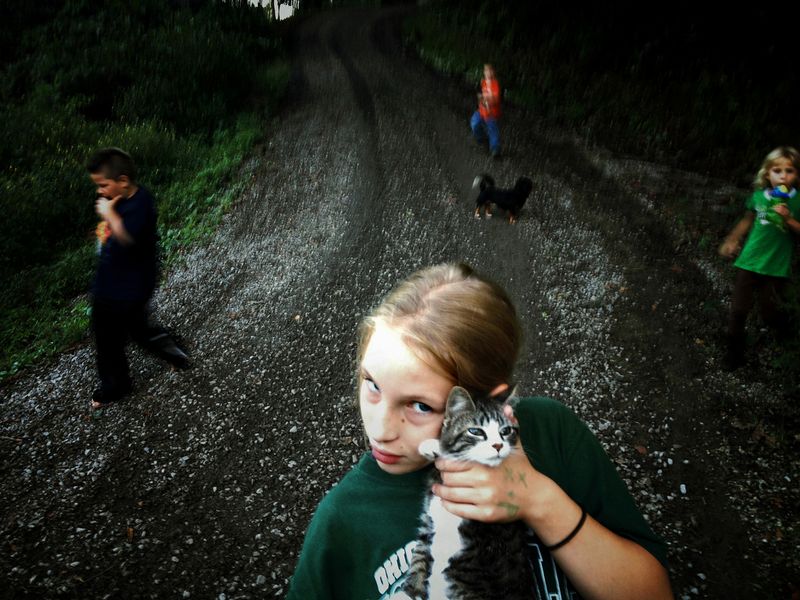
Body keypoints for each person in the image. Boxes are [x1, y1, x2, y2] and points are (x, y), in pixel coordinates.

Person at [286, 263, 672, 600]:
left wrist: (538, 500)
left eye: (421, 406)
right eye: (372, 384)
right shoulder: (342, 520)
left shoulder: (552, 431)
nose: (380, 431)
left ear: (489, 399)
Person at [87, 147, 189, 409]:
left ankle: (171, 349)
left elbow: (129, 242)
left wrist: (110, 217)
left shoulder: (141, 203)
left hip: (131, 288)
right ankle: (116, 384)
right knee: (107, 336)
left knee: (136, 331)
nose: (100, 192)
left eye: (103, 185)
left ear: (123, 181)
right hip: (109, 284)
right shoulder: (118, 201)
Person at [718, 146, 800, 370]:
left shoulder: (797, 201)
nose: (783, 175)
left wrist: (790, 219)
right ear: (767, 174)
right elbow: (747, 220)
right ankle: (734, 353)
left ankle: (787, 333)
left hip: (775, 267)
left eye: (789, 170)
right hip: (749, 261)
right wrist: (732, 239)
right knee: (737, 310)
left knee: (769, 312)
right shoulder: (758, 197)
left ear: (797, 175)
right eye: (777, 170)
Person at [470, 64, 502, 158]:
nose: (487, 73)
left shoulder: (495, 84)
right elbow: (480, 95)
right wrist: (481, 99)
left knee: (492, 129)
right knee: (474, 123)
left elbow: (496, 98)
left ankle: (495, 148)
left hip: (491, 112)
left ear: (493, 72)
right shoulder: (483, 82)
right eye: (486, 71)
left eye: (490, 71)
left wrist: (488, 98)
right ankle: (482, 138)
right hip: (482, 110)